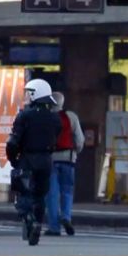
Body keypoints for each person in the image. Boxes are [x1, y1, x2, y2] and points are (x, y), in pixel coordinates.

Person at [7, 79, 62, 246]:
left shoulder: (24, 115)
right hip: (46, 160)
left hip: (27, 158)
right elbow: (56, 137)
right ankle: (38, 222)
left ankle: (29, 219)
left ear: (33, 94)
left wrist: (13, 159)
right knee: (40, 195)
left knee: (22, 193)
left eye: (27, 93)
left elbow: (13, 142)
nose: (25, 96)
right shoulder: (54, 118)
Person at [45, 92, 84, 237]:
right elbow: (79, 140)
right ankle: (66, 217)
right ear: (62, 102)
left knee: (52, 194)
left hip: (50, 160)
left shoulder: (45, 117)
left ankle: (54, 228)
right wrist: (75, 152)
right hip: (68, 159)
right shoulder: (71, 117)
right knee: (67, 192)